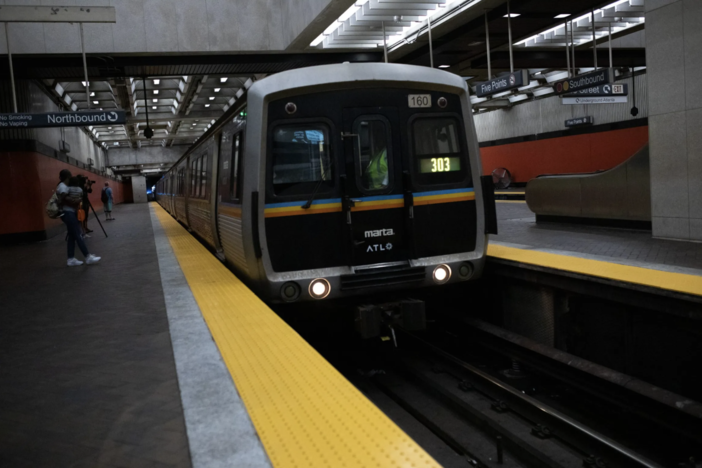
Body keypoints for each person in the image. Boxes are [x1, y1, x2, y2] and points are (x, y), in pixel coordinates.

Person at [56, 169, 101, 267]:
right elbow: (63, 197)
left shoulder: (65, 186)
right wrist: (74, 200)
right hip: (68, 213)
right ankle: (87, 256)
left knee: (72, 236)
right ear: (68, 177)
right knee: (78, 234)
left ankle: (71, 258)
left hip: (69, 212)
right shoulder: (63, 186)